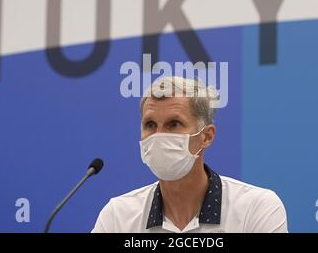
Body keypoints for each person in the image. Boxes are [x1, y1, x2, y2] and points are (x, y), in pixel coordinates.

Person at [92, 76, 287, 233]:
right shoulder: (117, 216)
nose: (159, 135)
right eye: (150, 125)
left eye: (174, 124)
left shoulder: (256, 208)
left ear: (206, 136)